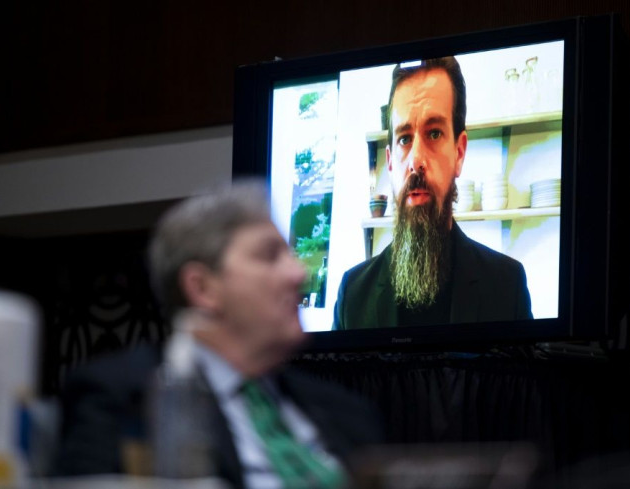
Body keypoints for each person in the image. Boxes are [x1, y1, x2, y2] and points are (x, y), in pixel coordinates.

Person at [56, 180, 383, 488]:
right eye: (269, 256)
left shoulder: (347, 412)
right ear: (202, 288)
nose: (298, 273)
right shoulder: (122, 398)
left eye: (292, 255)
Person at [333, 57, 532, 330]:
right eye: (404, 138)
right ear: (390, 163)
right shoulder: (353, 295)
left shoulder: (508, 286)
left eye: (434, 133)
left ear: (459, 153)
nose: (416, 160)